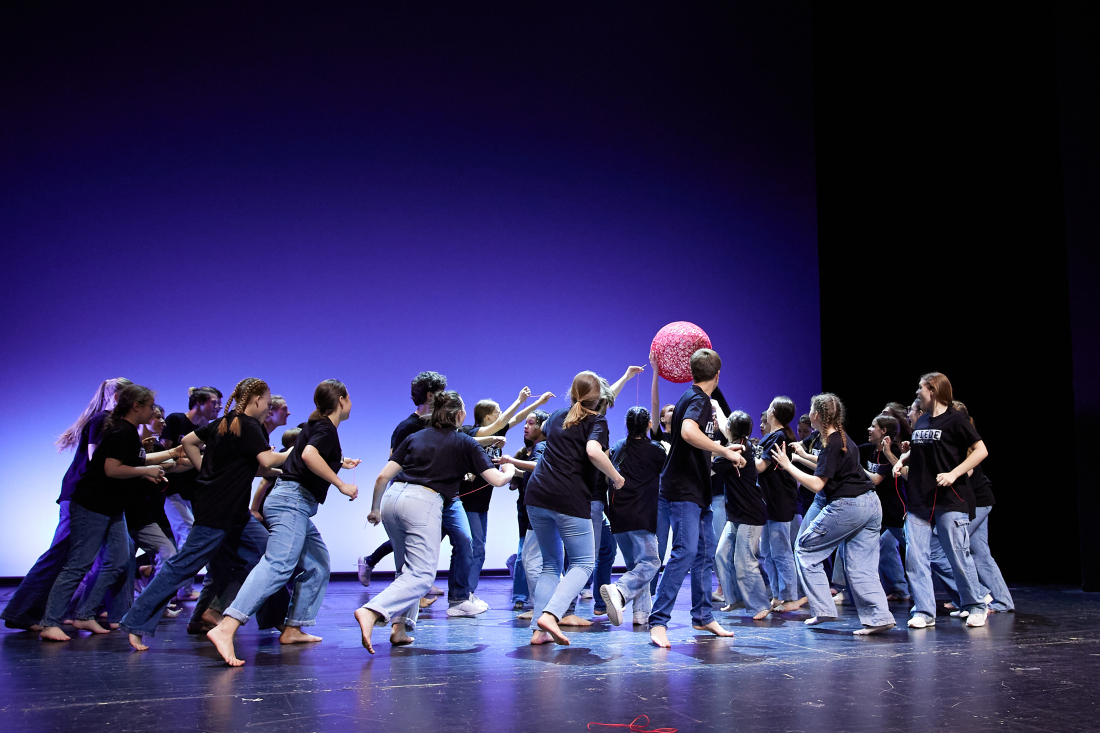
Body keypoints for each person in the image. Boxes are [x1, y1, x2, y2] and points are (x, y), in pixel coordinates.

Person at [121, 378, 290, 651]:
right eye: (268, 403)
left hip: (233, 512)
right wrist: (296, 452)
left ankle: (274, 618)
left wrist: (207, 471)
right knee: (183, 565)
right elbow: (267, 460)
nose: (268, 408)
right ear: (256, 400)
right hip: (218, 511)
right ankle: (135, 621)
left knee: (267, 555)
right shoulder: (247, 425)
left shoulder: (225, 423)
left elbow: (190, 442)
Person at [206, 379, 361, 666]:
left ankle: (293, 628)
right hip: (292, 502)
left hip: (294, 503)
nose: (351, 401)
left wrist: (340, 461)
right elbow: (309, 455)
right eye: (349, 397)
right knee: (278, 564)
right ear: (341, 400)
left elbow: (305, 457)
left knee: (317, 564)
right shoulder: (325, 428)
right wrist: (341, 484)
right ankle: (226, 626)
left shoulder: (315, 426)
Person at [353, 391, 515, 652]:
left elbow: (382, 477)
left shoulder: (414, 437)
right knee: (421, 574)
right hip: (423, 501)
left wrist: (375, 509)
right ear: (460, 415)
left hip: (393, 498)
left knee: (405, 569)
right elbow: (496, 480)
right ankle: (372, 611)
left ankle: (400, 628)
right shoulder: (464, 442)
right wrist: (507, 470)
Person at [39, 384, 180, 641]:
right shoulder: (120, 431)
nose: (152, 412)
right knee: (79, 563)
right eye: (149, 407)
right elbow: (111, 469)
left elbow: (132, 463)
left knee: (117, 560)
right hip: (92, 504)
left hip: (112, 506)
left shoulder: (129, 433)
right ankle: (50, 622)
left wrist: (156, 463)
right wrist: (144, 472)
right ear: (136, 406)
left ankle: (84, 614)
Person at [2, 378, 132, 631]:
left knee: (107, 558)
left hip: (95, 498)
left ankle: (74, 612)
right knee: (60, 554)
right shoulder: (103, 421)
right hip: (80, 497)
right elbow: (99, 461)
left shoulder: (110, 423)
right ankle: (21, 611)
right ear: (118, 398)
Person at [772, 393, 896, 635]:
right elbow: (826, 465)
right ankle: (879, 617)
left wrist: (788, 465)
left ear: (817, 415)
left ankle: (823, 608)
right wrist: (801, 457)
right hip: (871, 505)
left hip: (849, 506)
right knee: (861, 566)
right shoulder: (842, 439)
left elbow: (818, 484)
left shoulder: (830, 443)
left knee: (806, 549)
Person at [648, 349, 744, 648]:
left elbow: (691, 437)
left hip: (697, 489)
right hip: (684, 489)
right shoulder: (699, 400)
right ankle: (658, 621)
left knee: (704, 555)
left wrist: (715, 446)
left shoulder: (690, 397)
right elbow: (689, 432)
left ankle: (703, 615)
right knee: (685, 553)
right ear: (717, 375)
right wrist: (725, 451)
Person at [523, 371, 624, 645]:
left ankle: (538, 631)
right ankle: (551, 615)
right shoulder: (597, 421)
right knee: (583, 563)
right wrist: (616, 477)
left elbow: (553, 435)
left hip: (536, 495)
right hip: (568, 498)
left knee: (551, 565)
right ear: (599, 398)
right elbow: (593, 451)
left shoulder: (557, 416)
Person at [893, 372, 989, 629]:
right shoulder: (922, 421)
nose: (916, 395)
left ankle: (976, 605)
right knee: (915, 557)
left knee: (957, 556)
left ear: (933, 390)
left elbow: (981, 450)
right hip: (918, 500)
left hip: (950, 499)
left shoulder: (956, 420)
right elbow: (923, 449)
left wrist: (954, 473)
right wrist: (903, 458)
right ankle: (924, 611)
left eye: (920, 390)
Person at [461, 387, 554, 606]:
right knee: (475, 548)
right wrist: (518, 399)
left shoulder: (499, 434)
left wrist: (537, 403)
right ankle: (464, 594)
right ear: (488, 416)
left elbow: (517, 417)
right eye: (498, 412)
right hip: (467, 500)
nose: (503, 415)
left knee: (478, 548)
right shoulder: (470, 433)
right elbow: (508, 418)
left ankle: (466, 593)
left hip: (482, 502)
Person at [601, 406, 664, 626]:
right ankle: (619, 590)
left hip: (618, 517)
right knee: (650, 563)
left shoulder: (617, 447)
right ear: (648, 425)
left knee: (636, 567)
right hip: (642, 516)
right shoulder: (656, 450)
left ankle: (640, 614)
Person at [161, 386, 222, 600]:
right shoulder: (176, 420)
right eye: (214, 403)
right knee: (186, 538)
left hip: (193, 493)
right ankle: (180, 589)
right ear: (199, 402)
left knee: (188, 538)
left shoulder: (210, 429)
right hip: (170, 491)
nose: (219, 407)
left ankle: (172, 584)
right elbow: (162, 455)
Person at [712, 410, 771, 620]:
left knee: (745, 560)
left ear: (731, 429)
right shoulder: (736, 446)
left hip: (750, 513)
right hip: (737, 513)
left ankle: (761, 604)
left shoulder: (737, 450)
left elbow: (710, 468)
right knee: (722, 555)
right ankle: (735, 599)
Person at [755, 396, 805, 612]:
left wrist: (738, 452)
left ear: (773, 412)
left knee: (780, 550)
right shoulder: (773, 436)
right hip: (769, 503)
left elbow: (760, 466)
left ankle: (790, 596)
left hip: (780, 503)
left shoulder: (778, 437)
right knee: (767, 550)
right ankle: (777, 594)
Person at [860, 413, 908, 601]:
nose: (869, 429)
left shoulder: (893, 451)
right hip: (880, 513)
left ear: (884, 431)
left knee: (922, 555)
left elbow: (876, 479)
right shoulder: (873, 450)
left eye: (873, 426)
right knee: (886, 546)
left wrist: (854, 466)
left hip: (896, 511)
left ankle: (972, 593)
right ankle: (898, 589)